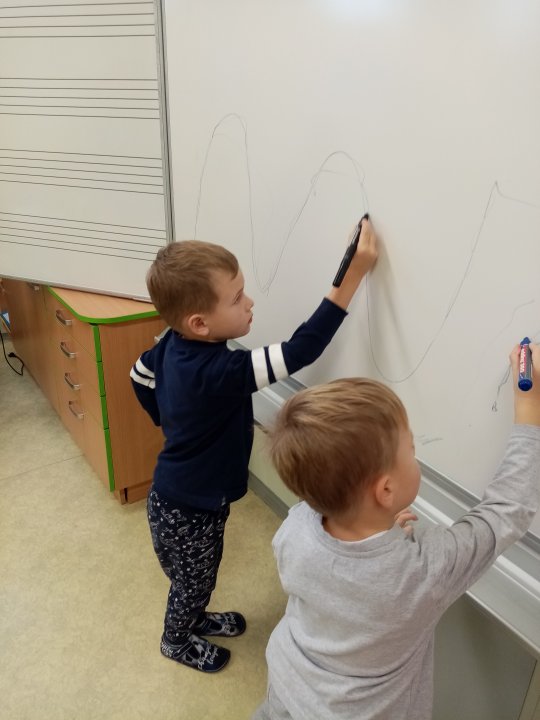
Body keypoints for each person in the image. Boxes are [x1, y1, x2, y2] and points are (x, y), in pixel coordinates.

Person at [130, 219, 378, 673]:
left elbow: (139, 374)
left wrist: (164, 417)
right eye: (237, 298)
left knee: (196, 576)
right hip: (188, 509)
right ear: (200, 323)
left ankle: (195, 617)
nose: (250, 303)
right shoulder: (219, 372)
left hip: (179, 498)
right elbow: (301, 350)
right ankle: (175, 639)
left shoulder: (171, 343)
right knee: (193, 582)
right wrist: (352, 275)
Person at [253, 346, 540, 720]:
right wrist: (529, 407)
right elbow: (505, 512)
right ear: (386, 490)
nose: (415, 454)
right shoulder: (423, 570)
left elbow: (346, 573)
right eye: (412, 449)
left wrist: (380, 531)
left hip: (286, 693)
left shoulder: (295, 527)